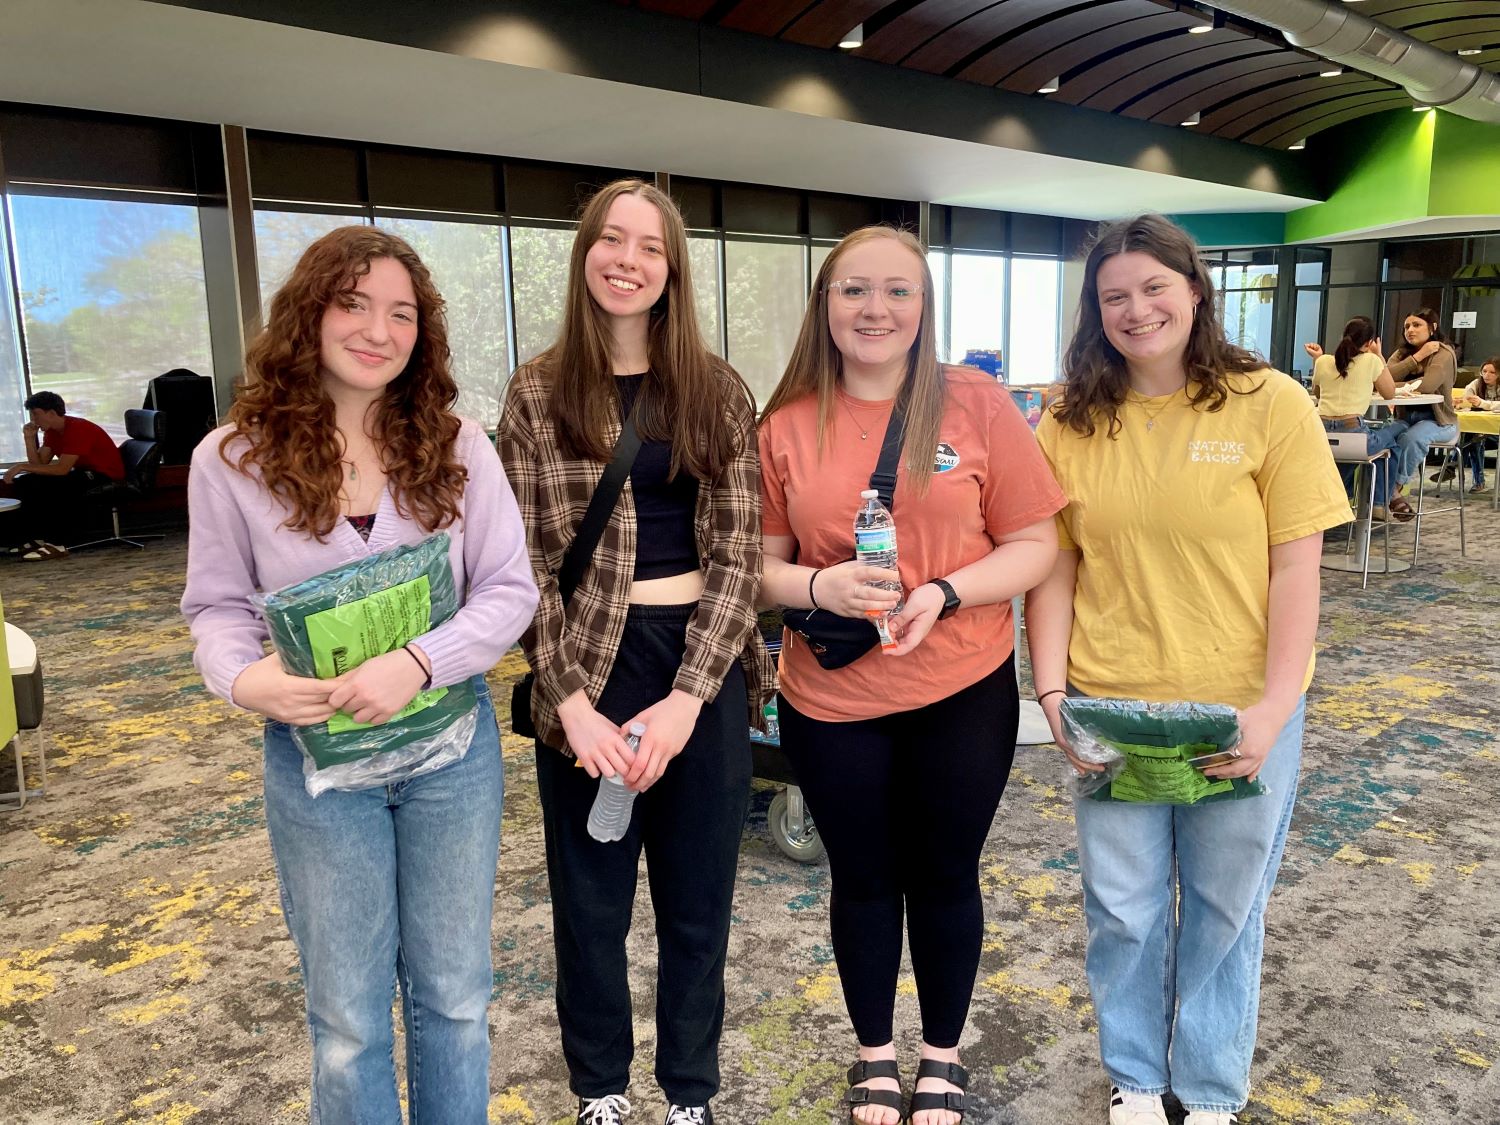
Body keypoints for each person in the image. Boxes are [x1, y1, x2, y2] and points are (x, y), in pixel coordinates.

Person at [181, 226, 538, 1123]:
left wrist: (420, 662)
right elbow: (217, 607)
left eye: (402, 312)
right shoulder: (232, 459)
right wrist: (241, 678)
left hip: (449, 758)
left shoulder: (458, 445)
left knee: (456, 999)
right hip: (317, 765)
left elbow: (508, 590)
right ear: (310, 312)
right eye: (353, 303)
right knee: (346, 1019)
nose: (379, 329)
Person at [1025, 214, 1349, 1125]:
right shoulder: (1067, 417)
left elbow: (1297, 567)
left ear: (1195, 290)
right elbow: (1055, 567)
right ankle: (1135, 1075)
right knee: (1123, 910)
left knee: (1222, 909)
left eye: (1154, 287)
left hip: (1237, 707)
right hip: (1112, 705)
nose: (1137, 309)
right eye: (1114, 294)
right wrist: (1052, 692)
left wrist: (1275, 706)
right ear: (1095, 308)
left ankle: (1207, 1087)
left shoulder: (1268, 401)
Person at [757, 226, 1067, 1125]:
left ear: (924, 308)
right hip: (831, 695)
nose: (875, 309)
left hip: (962, 687)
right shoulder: (786, 423)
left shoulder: (973, 402)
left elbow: (1036, 544)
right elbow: (760, 567)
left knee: (943, 874)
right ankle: (872, 1055)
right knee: (860, 878)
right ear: (826, 303)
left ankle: (940, 1055)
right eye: (855, 290)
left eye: (898, 291)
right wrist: (821, 583)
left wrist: (944, 589)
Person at [496, 179, 772, 1125]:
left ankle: (689, 1095)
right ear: (584, 255)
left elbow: (740, 554)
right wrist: (569, 701)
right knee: (592, 907)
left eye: (649, 247)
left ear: (673, 269)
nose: (628, 259)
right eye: (610, 240)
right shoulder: (537, 391)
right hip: (585, 664)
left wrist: (692, 697)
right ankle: (602, 1091)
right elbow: (519, 559)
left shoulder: (717, 389)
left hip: (699, 666)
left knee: (698, 904)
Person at [3, 390, 125, 559]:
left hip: (103, 475)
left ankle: (58, 543)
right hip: (83, 472)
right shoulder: (52, 432)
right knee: (26, 481)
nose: (33, 420)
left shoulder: (78, 429)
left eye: (36, 415)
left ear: (51, 413)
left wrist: (21, 466)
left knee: (57, 487)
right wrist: (29, 439)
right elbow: (39, 465)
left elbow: (62, 469)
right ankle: (37, 538)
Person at [1304, 315, 1401, 513]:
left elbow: (1319, 393)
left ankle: (1341, 500)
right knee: (1395, 436)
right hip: (1354, 432)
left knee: (1346, 455)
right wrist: (1379, 355)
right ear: (1369, 343)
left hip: (1321, 434)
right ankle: (1380, 503)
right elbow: (1389, 393)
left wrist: (1319, 359)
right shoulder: (1372, 360)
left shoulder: (1323, 361)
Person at [1381, 307, 1458, 521]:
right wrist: (1418, 357)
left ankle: (1391, 492)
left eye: (1417, 325)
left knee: (1411, 439)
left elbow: (1427, 385)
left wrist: (1397, 385)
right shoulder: (1403, 353)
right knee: (1380, 438)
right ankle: (1381, 495)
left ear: (1432, 328)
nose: (1410, 330)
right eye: (1407, 326)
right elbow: (1382, 377)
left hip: (1440, 421)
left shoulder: (1443, 353)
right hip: (1405, 418)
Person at [1454, 355, 1499, 493]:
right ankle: (1479, 482)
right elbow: (1465, 400)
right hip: (1480, 432)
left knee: (1471, 438)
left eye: (1492, 372)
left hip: (1496, 433)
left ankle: (1452, 463)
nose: (1487, 375)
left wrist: (1482, 403)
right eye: (1484, 371)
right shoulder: (1476, 384)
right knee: (1474, 437)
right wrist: (1459, 403)